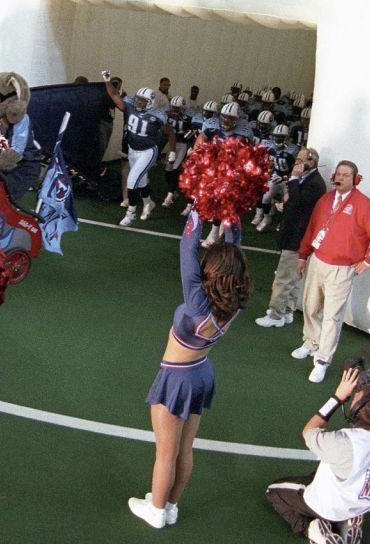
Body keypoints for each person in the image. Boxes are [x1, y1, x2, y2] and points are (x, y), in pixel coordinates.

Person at [128, 208, 249, 529]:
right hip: (201, 373)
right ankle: (170, 505)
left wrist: (199, 205)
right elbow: (235, 249)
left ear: (213, 270)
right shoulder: (234, 300)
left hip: (177, 379)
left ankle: (155, 510)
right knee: (184, 449)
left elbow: (187, 248)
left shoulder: (198, 302)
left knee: (166, 453)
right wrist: (231, 215)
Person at [264, 367, 370, 544]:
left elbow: (309, 431)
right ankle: (350, 522)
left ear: (358, 409)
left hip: (327, 505)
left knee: (273, 492)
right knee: (322, 474)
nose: (354, 394)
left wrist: (338, 398)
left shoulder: (344, 443)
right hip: (361, 503)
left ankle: (313, 532)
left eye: (357, 395)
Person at [294, 161, 370, 383]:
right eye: (338, 174)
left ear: (356, 179)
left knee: (332, 316)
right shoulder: (325, 200)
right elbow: (312, 229)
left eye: (346, 175)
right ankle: (310, 342)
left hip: (341, 268)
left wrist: (367, 262)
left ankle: (322, 360)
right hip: (317, 261)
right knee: (310, 306)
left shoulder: (366, 206)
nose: (340, 178)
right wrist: (303, 255)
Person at [258, 148, 327, 328]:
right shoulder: (309, 180)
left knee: (284, 276)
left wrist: (294, 179)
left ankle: (275, 315)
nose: (295, 164)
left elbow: (298, 201)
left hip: (297, 237)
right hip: (295, 234)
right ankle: (287, 310)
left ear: (310, 162)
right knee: (294, 276)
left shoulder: (315, 183)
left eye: (299, 161)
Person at [104, 75, 167, 227]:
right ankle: (149, 203)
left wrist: (166, 150)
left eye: (143, 100)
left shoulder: (157, 116)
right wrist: (107, 80)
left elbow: (169, 132)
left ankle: (131, 214)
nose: (138, 101)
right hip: (133, 150)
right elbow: (113, 95)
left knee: (132, 181)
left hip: (147, 152)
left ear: (150, 103)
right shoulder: (130, 105)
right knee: (141, 182)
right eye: (138, 98)